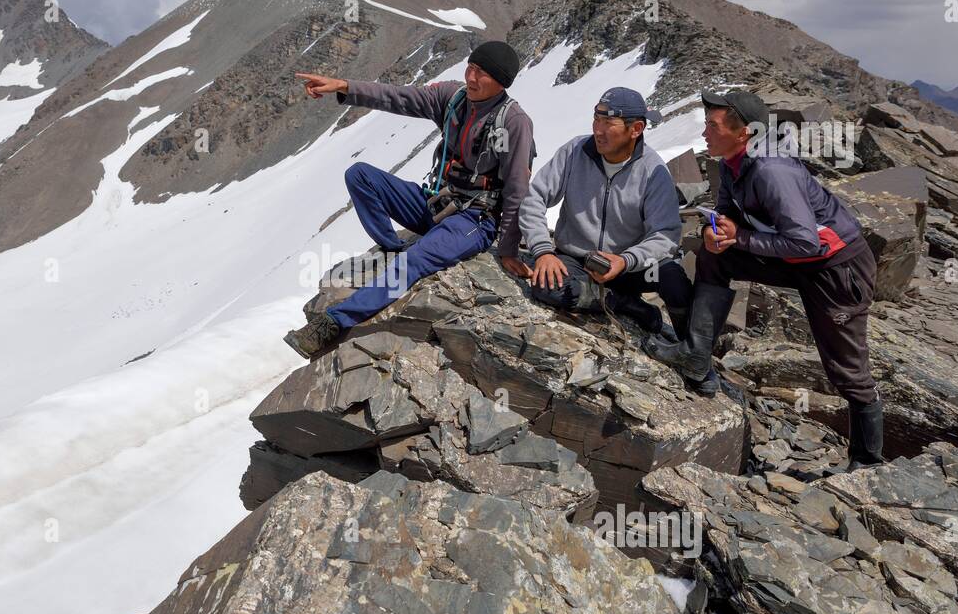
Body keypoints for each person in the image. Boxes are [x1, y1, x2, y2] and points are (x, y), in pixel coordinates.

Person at [644, 89, 883, 469]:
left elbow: (805, 241)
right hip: (793, 255)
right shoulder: (729, 161)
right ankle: (695, 355)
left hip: (836, 268)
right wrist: (717, 231)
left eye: (713, 126)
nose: (705, 132)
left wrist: (738, 238)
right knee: (714, 257)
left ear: (745, 133)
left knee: (846, 369)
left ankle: (867, 461)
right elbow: (726, 208)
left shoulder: (772, 172)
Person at [283, 40, 534, 358]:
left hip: (474, 219)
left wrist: (509, 248)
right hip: (438, 202)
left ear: (502, 82)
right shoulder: (453, 97)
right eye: (470, 67)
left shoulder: (514, 122)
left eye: (481, 74)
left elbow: (517, 189)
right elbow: (400, 97)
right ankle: (392, 249)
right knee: (360, 175)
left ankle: (334, 322)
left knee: (413, 262)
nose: (471, 77)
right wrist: (344, 86)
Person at [519, 86, 696, 370]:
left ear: (636, 128)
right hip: (577, 260)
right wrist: (542, 251)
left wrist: (625, 260)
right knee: (546, 285)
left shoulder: (653, 171)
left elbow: (665, 234)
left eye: (607, 123)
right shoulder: (576, 151)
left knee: (673, 277)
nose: (597, 130)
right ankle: (624, 304)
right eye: (595, 120)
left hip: (629, 268)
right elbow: (534, 197)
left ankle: (693, 354)